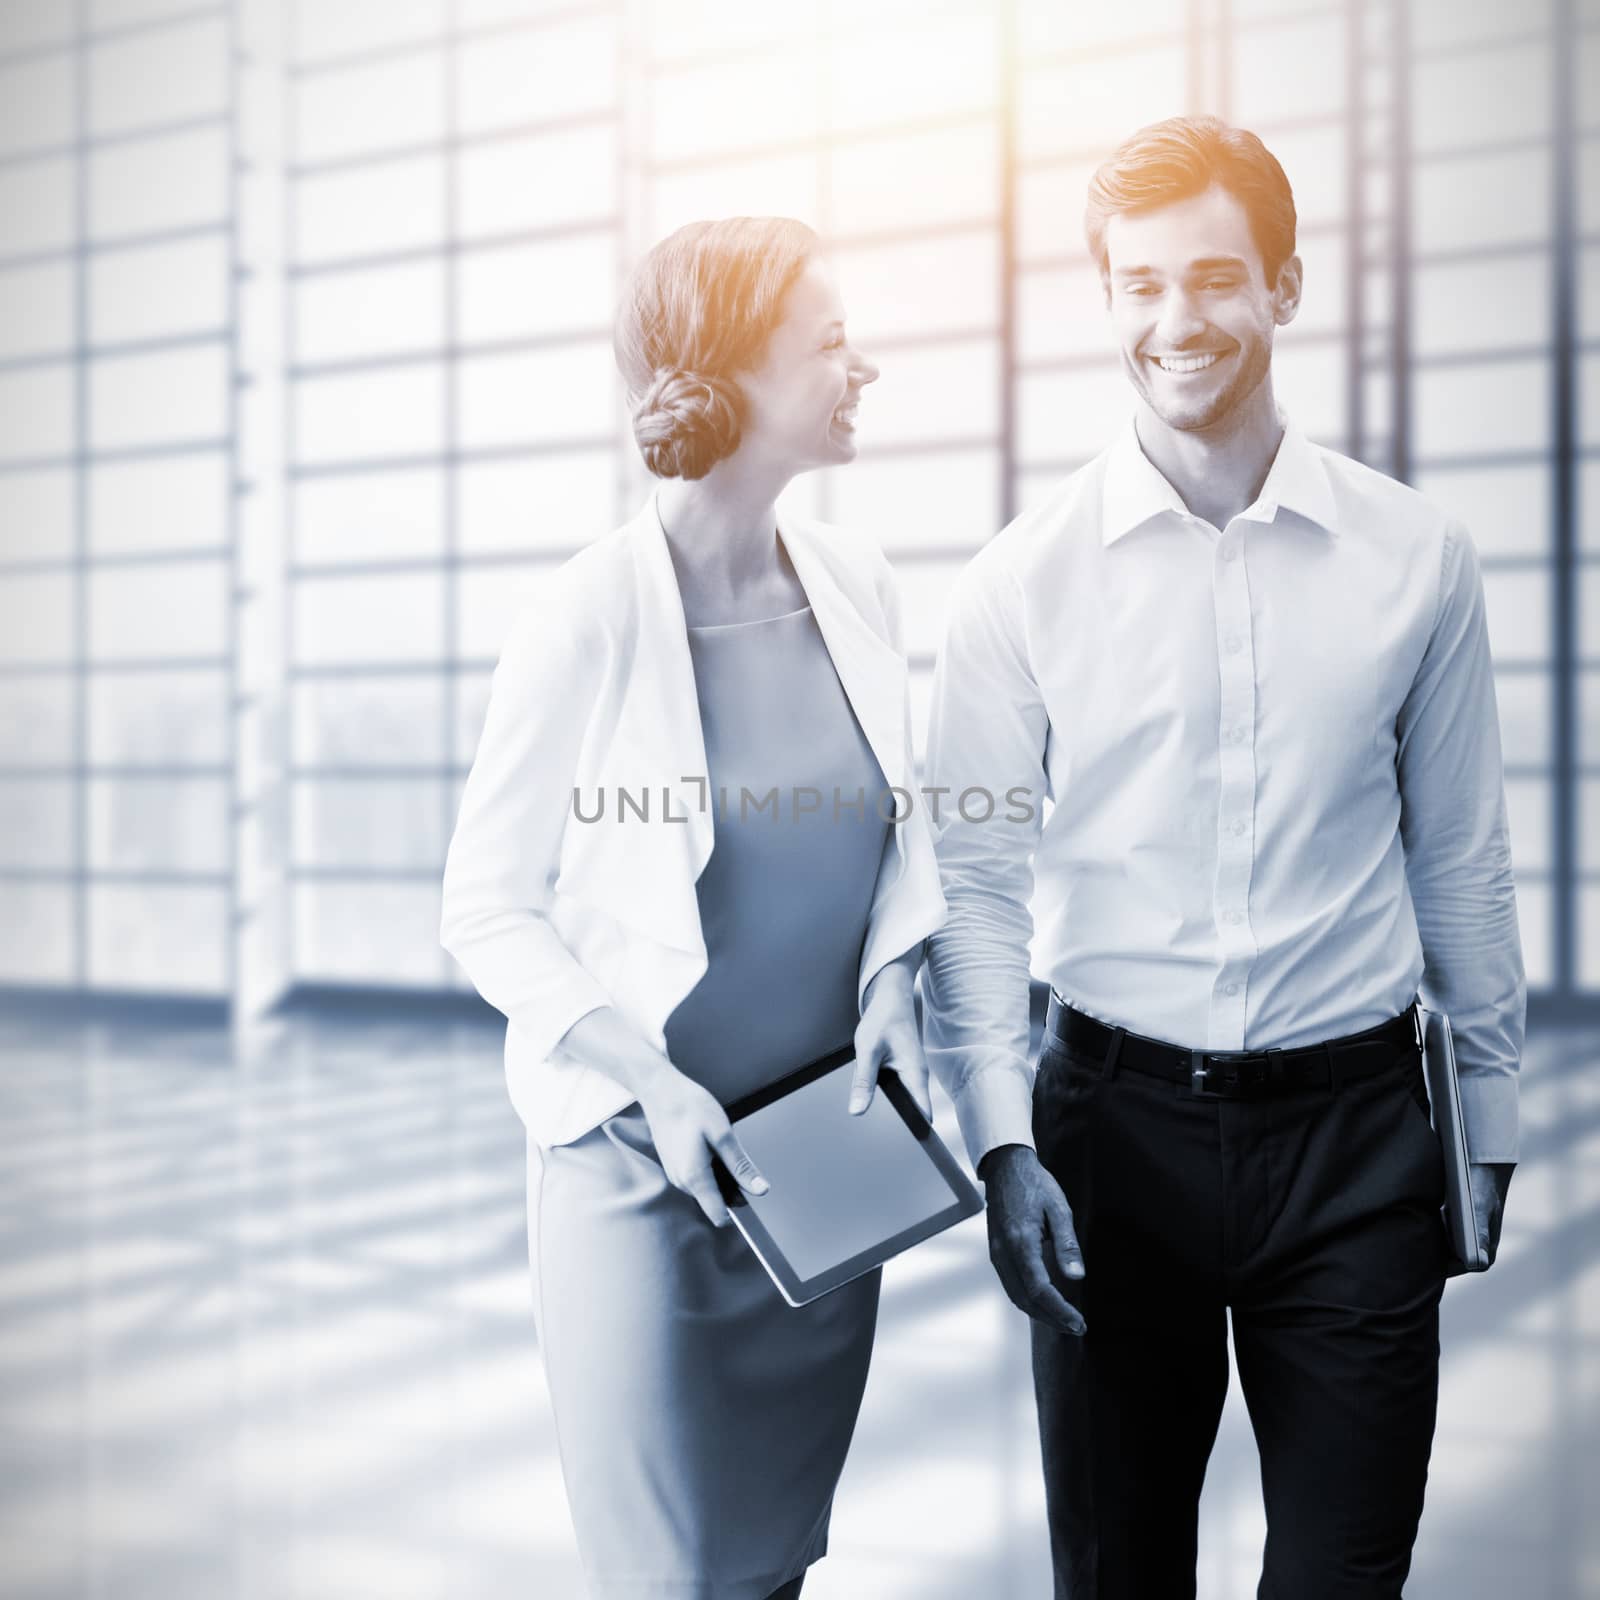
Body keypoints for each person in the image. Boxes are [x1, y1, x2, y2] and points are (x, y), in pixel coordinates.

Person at [920, 116, 1525, 1598]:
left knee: (1345, 1573)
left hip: (1360, 1145)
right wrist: (1004, 1143)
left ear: (1286, 285)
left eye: (1212, 278)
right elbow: (980, 896)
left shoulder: (1417, 558)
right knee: (1118, 1575)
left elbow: (1462, 857)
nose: (1175, 322)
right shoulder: (1018, 583)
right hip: (1107, 1144)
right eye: (1138, 286)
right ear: (1108, 299)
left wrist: (1489, 1117)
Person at [439, 216, 946, 1600]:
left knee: (774, 1565)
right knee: (671, 1577)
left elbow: (909, 837)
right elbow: (482, 905)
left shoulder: (861, 588)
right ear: (731, 378)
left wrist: (896, 990)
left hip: (812, 1173)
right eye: (831, 344)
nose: (864, 370)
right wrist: (651, 1088)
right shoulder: (586, 617)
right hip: (642, 1178)